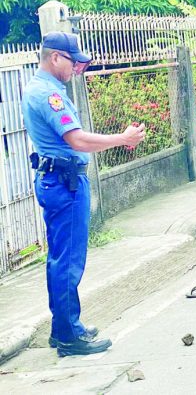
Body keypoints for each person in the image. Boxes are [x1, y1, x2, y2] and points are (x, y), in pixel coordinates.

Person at [22, 31, 146, 356]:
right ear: (55, 58)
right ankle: (69, 336)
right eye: (72, 61)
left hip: (59, 181)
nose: (76, 67)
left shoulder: (45, 89)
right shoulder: (48, 94)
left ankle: (62, 327)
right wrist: (122, 138)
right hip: (65, 185)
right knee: (68, 260)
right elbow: (76, 140)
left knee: (61, 257)